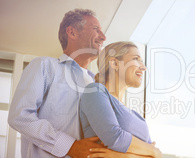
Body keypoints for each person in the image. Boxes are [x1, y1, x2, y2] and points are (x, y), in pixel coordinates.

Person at [8, 8, 107, 157]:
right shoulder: (44, 66)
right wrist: (70, 146)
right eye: (96, 29)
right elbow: (20, 116)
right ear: (72, 32)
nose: (103, 37)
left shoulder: (99, 85)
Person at [80, 41, 162, 158]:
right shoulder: (95, 91)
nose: (143, 67)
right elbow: (114, 137)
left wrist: (125, 156)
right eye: (136, 59)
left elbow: (155, 155)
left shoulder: (136, 115)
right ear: (114, 63)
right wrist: (152, 151)